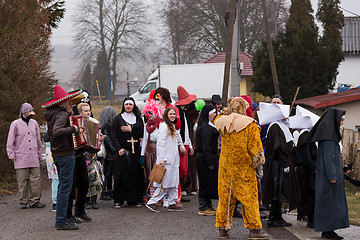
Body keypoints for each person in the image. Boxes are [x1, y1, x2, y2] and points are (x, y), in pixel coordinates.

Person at [214, 97, 268, 240]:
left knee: (225, 198)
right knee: (250, 199)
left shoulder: (222, 123)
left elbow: (218, 118)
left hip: (225, 168)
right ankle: (254, 230)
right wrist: (259, 167)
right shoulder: (250, 125)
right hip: (244, 168)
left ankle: (222, 229)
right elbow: (256, 150)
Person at [42, 85, 81, 230]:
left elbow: (47, 135)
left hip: (58, 154)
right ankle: (61, 221)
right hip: (65, 154)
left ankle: (63, 217)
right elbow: (57, 132)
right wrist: (74, 129)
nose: (72, 105)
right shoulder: (62, 114)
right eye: (70, 103)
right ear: (63, 104)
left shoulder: (51, 115)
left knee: (63, 187)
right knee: (65, 188)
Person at [307, 108, 349, 240]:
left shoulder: (328, 134)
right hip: (329, 178)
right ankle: (328, 230)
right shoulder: (329, 137)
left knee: (328, 203)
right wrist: (332, 176)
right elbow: (328, 158)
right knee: (330, 203)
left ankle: (328, 230)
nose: (341, 123)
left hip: (327, 176)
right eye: (341, 120)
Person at [258, 101, 300, 228]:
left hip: (279, 164)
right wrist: (285, 163)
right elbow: (278, 147)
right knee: (277, 192)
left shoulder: (279, 125)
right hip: (278, 165)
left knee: (279, 193)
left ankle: (277, 217)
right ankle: (273, 218)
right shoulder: (276, 126)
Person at [145, 107, 184, 213]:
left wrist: (182, 147)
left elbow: (177, 137)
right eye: (170, 114)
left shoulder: (172, 126)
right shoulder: (163, 126)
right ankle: (152, 202)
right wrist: (161, 159)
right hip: (165, 161)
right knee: (164, 183)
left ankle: (172, 202)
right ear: (166, 115)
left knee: (174, 182)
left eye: (174, 114)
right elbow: (161, 144)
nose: (172, 116)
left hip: (174, 160)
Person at [7, 103, 45, 209]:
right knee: (22, 180)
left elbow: (38, 139)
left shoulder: (34, 123)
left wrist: (39, 152)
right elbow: (10, 140)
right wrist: (11, 153)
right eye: (29, 111)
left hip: (33, 156)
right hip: (20, 156)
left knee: (36, 179)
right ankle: (23, 201)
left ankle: (35, 200)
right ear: (24, 112)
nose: (31, 113)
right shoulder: (15, 124)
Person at [289, 106, 320, 228]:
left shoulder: (306, 135)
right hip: (307, 172)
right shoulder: (305, 136)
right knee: (309, 195)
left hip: (308, 171)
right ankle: (311, 219)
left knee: (309, 195)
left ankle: (309, 217)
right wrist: (313, 168)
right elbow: (306, 157)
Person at [111, 97, 144, 208]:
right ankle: (118, 200)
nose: (128, 106)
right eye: (126, 104)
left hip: (135, 152)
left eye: (130, 104)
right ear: (123, 106)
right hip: (122, 151)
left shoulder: (138, 119)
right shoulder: (118, 119)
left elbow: (141, 133)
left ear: (133, 106)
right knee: (120, 176)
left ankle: (132, 200)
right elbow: (113, 136)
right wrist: (119, 149)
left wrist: (131, 130)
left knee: (134, 175)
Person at [77, 103, 104, 210]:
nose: (88, 113)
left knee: (95, 175)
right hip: (83, 153)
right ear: (80, 112)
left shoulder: (94, 122)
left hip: (93, 153)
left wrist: (100, 139)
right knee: (84, 177)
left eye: (89, 110)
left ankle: (94, 199)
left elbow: (97, 136)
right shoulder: (78, 123)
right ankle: (85, 200)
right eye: (85, 111)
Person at [195, 104, 218, 216]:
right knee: (205, 182)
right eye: (213, 112)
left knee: (209, 182)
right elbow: (206, 146)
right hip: (205, 158)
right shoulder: (205, 128)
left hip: (206, 157)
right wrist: (210, 162)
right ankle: (203, 207)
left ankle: (208, 204)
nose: (215, 114)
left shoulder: (207, 125)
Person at [174, 86, 196, 203]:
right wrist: (182, 145)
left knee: (184, 169)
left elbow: (186, 130)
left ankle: (181, 191)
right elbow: (178, 130)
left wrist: (190, 145)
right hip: (181, 143)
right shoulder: (178, 112)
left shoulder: (183, 112)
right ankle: (179, 191)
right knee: (181, 168)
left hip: (186, 143)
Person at [141, 100, 163, 194]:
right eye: (147, 113)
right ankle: (152, 193)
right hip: (149, 151)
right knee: (149, 172)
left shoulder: (161, 125)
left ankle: (159, 194)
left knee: (157, 173)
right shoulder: (147, 126)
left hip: (158, 150)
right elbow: (145, 140)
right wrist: (142, 154)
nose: (148, 115)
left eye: (150, 113)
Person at [99, 106, 118, 200]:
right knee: (107, 173)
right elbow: (109, 140)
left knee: (108, 173)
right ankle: (104, 191)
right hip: (109, 153)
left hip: (105, 153)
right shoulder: (107, 125)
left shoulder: (103, 125)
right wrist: (115, 150)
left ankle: (108, 191)